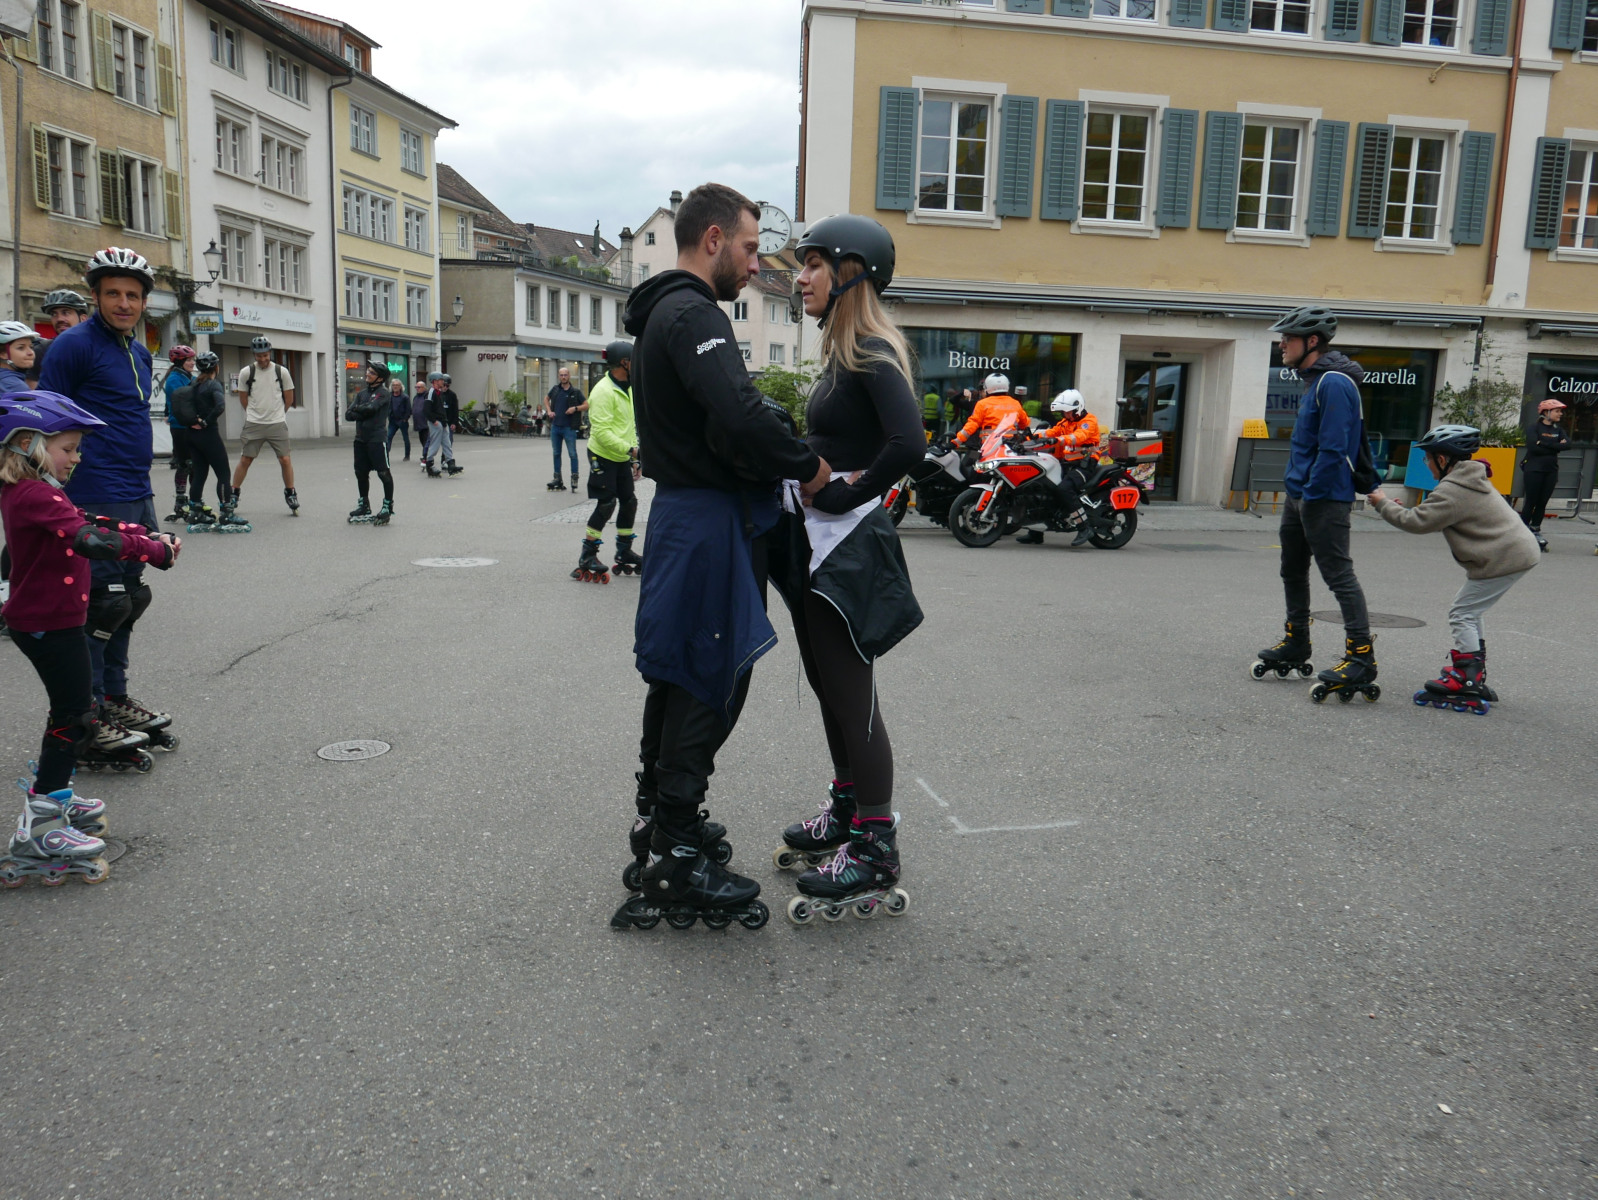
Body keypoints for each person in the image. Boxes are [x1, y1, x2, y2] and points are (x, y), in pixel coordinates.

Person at [610, 181, 830, 931]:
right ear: (712, 240)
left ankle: (660, 818)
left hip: (685, 514)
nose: (756, 262)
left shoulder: (659, 312)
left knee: (681, 672)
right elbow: (737, 412)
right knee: (711, 678)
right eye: (748, 247)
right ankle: (676, 852)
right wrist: (808, 465)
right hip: (706, 519)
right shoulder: (694, 311)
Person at [774, 213, 923, 920]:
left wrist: (845, 493)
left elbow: (908, 442)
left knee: (851, 692)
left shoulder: (871, 347)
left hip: (848, 543)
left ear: (850, 271)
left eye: (812, 264)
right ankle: (846, 808)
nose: (800, 277)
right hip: (819, 539)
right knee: (829, 686)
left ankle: (876, 842)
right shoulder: (842, 351)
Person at [0, 392, 178, 884]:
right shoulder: (34, 494)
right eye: (68, 448)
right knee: (74, 717)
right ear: (28, 444)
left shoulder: (37, 491)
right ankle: (40, 826)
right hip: (48, 624)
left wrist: (145, 536)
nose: (76, 457)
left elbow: (92, 522)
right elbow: (90, 540)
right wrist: (152, 551)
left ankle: (54, 795)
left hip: (52, 619)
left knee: (72, 712)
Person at [37, 247, 178, 754]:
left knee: (130, 599)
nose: (124, 303)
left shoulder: (136, 351)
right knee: (102, 603)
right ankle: (87, 711)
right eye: (113, 293)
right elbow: (46, 416)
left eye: (133, 295)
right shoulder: (73, 346)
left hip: (136, 487)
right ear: (94, 296)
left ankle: (114, 695)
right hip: (93, 488)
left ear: (144, 302)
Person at [1366, 425, 1539, 713]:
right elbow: (1432, 516)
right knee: (1470, 611)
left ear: (1443, 459)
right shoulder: (1467, 479)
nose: (1426, 464)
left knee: (1462, 613)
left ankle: (1467, 678)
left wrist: (1382, 503)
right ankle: (1473, 673)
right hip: (1514, 553)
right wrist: (1395, 508)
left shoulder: (1453, 489)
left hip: (1505, 557)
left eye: (1428, 458)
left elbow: (1416, 522)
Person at [1252, 306, 1377, 699]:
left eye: (1287, 338)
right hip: (1301, 494)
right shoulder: (1315, 381)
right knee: (1292, 570)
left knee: (1339, 576)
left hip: (1323, 497)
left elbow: (1334, 447)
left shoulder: (1334, 383)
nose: (1281, 345)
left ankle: (1361, 656)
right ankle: (1297, 640)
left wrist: (1311, 493)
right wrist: (1298, 492)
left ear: (1312, 341)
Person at [572, 340, 641, 581]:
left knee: (629, 501)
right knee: (606, 503)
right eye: (634, 360)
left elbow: (629, 425)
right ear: (624, 363)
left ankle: (624, 551)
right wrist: (631, 450)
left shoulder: (629, 387)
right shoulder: (602, 391)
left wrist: (633, 457)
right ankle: (587, 555)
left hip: (621, 455)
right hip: (601, 454)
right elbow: (601, 432)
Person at [1016, 388, 1102, 547]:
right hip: (1067, 463)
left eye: (1067, 412)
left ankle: (1084, 528)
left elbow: (1079, 437)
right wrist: (1031, 436)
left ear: (1077, 408)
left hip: (1085, 464)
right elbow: (1052, 432)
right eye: (1064, 412)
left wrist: (1059, 440)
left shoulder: (1089, 421)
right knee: (1042, 486)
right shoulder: (1065, 422)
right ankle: (1036, 532)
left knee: (1065, 489)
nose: (1065, 414)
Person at [173, 352, 247, 530]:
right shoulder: (213, 384)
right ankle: (226, 513)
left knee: (199, 473)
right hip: (208, 434)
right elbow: (220, 405)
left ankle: (196, 510)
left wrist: (196, 421)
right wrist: (206, 421)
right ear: (216, 367)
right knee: (223, 473)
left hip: (191, 434)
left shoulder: (194, 384)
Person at [231, 335, 299, 516]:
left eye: (265, 355)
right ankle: (234, 493)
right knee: (246, 459)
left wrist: (278, 414)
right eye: (259, 356)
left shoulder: (281, 372)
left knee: (285, 459)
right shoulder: (246, 373)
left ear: (270, 353)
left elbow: (289, 398)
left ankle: (290, 492)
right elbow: (243, 399)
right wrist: (254, 414)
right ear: (254, 355)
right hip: (254, 423)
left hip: (277, 422)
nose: (262, 359)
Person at [345, 359, 396, 525]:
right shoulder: (362, 394)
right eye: (368, 370)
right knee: (360, 473)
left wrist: (359, 410)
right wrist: (362, 410)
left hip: (377, 439)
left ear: (380, 378)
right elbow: (348, 414)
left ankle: (387, 506)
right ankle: (364, 505)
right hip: (360, 439)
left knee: (383, 473)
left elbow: (371, 408)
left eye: (372, 372)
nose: (367, 373)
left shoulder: (384, 393)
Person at [1519, 398, 1569, 551]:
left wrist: (1544, 443)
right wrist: (1556, 446)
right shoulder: (1534, 428)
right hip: (1534, 469)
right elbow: (1533, 447)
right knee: (1531, 501)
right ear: (1546, 412)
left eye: (1560, 411)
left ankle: (1535, 530)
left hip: (1551, 470)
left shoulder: (1559, 430)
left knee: (1542, 502)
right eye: (1557, 411)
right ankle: (1521, 532)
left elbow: (1568, 445)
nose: (1560, 414)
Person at [161, 345, 198, 523]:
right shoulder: (174, 379)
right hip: (180, 426)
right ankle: (181, 501)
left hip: (191, 425)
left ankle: (193, 500)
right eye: (189, 360)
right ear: (180, 362)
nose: (192, 363)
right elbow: (184, 400)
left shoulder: (189, 377)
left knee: (194, 465)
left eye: (193, 360)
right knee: (185, 464)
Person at [949, 373, 1029, 452]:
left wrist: (956, 442)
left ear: (987, 388)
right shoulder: (1015, 403)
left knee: (970, 460)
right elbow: (1025, 424)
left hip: (989, 449)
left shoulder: (982, 404)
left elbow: (972, 425)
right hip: (1011, 448)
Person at [544, 366, 586, 491]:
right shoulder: (555, 389)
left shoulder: (575, 392)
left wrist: (575, 408)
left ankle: (574, 477)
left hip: (569, 428)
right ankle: (557, 478)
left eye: (565, 375)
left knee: (572, 454)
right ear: (559, 376)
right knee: (556, 453)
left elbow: (586, 405)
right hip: (556, 426)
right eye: (561, 375)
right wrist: (549, 411)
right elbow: (546, 398)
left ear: (569, 376)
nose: (563, 377)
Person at [423, 372, 461, 476]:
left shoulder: (439, 393)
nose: (443, 382)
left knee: (447, 443)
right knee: (435, 443)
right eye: (441, 380)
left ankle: (450, 464)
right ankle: (430, 464)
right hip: (436, 422)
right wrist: (434, 421)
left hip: (443, 422)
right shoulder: (431, 392)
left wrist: (445, 421)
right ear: (435, 381)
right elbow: (426, 409)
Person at [0, 321, 38, 394]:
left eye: (31, 347)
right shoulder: (15, 386)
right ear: (2, 353)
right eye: (21, 348)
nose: (30, 352)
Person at [386, 377, 412, 461]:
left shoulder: (405, 397)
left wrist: (405, 419)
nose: (395, 387)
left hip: (402, 421)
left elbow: (408, 409)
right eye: (393, 385)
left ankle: (407, 456)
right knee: (388, 437)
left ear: (400, 386)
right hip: (392, 420)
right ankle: (386, 454)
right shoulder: (389, 396)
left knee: (405, 438)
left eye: (397, 385)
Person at [412, 377, 431, 462]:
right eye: (416, 387)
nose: (417, 389)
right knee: (422, 440)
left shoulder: (427, 396)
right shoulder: (416, 397)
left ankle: (425, 456)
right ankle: (425, 455)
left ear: (424, 388)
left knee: (425, 440)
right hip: (418, 423)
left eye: (419, 387)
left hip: (425, 423)